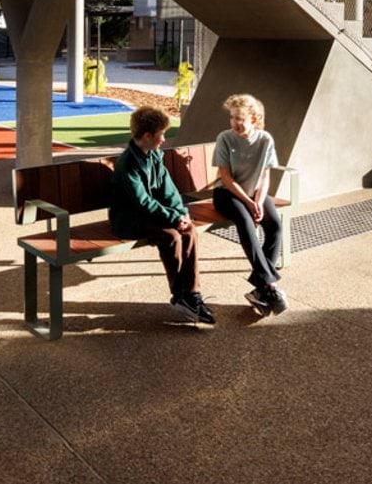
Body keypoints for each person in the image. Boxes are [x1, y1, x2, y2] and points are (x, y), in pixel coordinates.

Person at [109, 105, 214, 325]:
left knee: (189, 230)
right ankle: (179, 295)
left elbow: (169, 190)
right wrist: (172, 218)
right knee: (171, 236)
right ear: (147, 136)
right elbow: (142, 202)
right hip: (129, 219)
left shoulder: (154, 155)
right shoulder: (127, 163)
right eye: (161, 134)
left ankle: (192, 294)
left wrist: (181, 213)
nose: (164, 139)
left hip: (151, 215)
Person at [213, 93, 286, 315]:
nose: (234, 123)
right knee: (245, 223)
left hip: (255, 194)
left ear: (253, 119)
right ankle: (269, 286)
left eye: (240, 118)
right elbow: (226, 177)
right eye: (232, 117)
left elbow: (265, 176)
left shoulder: (265, 140)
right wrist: (248, 202)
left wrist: (259, 201)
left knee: (275, 226)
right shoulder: (224, 138)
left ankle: (260, 290)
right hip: (227, 194)